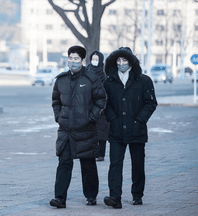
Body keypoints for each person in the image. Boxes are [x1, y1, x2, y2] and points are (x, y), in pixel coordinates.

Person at [50, 46, 107, 208]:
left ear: (82, 61)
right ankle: (60, 198)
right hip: (66, 130)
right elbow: (55, 101)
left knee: (88, 164)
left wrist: (90, 118)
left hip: (86, 129)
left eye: (76, 59)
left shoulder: (91, 79)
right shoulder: (61, 80)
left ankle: (91, 196)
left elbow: (101, 100)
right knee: (64, 163)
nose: (72, 61)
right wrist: (59, 117)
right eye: (70, 58)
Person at [103, 47, 157, 209]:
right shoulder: (109, 82)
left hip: (137, 130)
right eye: (118, 61)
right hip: (116, 130)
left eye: (124, 60)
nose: (121, 64)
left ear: (131, 61)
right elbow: (105, 104)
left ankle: (137, 195)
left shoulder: (144, 80)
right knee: (115, 164)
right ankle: (115, 197)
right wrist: (112, 119)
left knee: (138, 164)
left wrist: (139, 120)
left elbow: (150, 103)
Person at [86, 51, 110, 162]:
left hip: (102, 108)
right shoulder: (86, 72)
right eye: (93, 58)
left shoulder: (105, 74)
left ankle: (100, 154)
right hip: (88, 107)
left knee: (101, 132)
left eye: (97, 59)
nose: (94, 61)